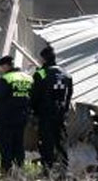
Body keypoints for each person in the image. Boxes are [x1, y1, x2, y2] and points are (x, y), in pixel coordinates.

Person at [32, 45, 72, 178]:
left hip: (45, 114)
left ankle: (47, 171)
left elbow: (34, 96)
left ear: (43, 59)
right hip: (61, 114)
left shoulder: (41, 73)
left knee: (46, 142)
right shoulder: (66, 74)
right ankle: (64, 172)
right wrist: (64, 110)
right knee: (60, 142)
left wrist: (33, 112)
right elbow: (69, 95)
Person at [0, 55, 33, 175]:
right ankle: (19, 169)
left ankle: (6, 170)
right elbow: (33, 97)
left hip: (7, 117)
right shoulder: (28, 78)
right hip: (23, 117)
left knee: (5, 144)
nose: (1, 70)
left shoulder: (5, 79)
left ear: (6, 66)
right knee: (18, 143)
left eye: (1, 67)